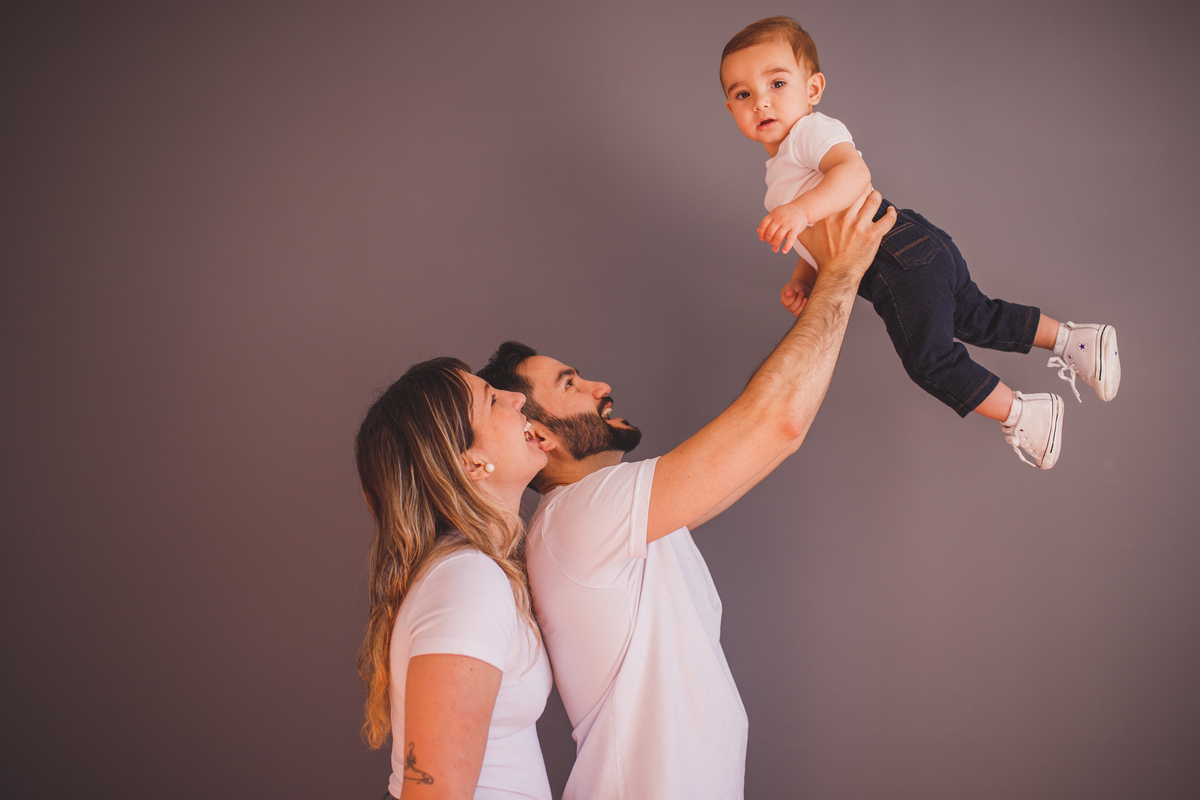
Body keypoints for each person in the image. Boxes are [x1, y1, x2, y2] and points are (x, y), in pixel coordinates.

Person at [476, 192, 897, 799]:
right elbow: (777, 424)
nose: (601, 386)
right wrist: (842, 272)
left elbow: (774, 441)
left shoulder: (609, 515)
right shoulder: (580, 515)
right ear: (538, 435)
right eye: (571, 384)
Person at [721, 16, 1121, 469]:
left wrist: (799, 212)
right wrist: (804, 275)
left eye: (776, 82)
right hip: (913, 244)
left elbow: (854, 176)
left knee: (929, 358)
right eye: (742, 94)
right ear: (730, 109)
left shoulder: (809, 133)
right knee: (975, 315)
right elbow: (825, 236)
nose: (761, 102)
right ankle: (1076, 341)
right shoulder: (781, 173)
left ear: (813, 89)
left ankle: (1024, 412)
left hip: (894, 258)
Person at [354, 357, 554, 799]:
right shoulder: (469, 584)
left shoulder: (475, 573)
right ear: (473, 463)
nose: (518, 397)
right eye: (493, 398)